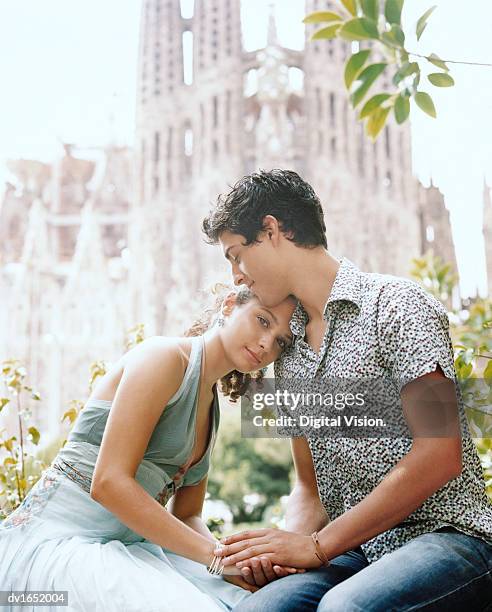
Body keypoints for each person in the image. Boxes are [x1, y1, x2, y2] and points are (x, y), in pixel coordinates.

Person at [201, 169, 492, 611]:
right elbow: (309, 486)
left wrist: (317, 547)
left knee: (344, 609)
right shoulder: (288, 350)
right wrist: (282, 552)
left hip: (450, 535)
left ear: (272, 231)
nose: (237, 276)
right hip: (357, 552)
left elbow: (440, 452)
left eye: (237, 255)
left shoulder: (397, 304)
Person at [0, 285, 298, 611]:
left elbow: (187, 514)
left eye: (282, 340)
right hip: (57, 543)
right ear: (229, 305)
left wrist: (235, 562)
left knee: (252, 602)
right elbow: (109, 484)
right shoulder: (164, 358)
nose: (267, 343)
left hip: (127, 546)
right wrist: (215, 560)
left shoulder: (210, 405)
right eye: (263, 321)